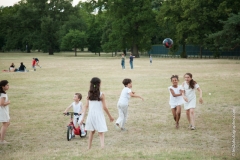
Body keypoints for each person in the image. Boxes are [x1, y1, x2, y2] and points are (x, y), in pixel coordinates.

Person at [80, 77, 114, 149]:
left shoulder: (89, 94)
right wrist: (110, 116)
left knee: (91, 132)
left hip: (91, 115)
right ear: (99, 84)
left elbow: (86, 106)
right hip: (99, 115)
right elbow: (104, 107)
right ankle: (102, 147)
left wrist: (82, 117)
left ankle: (89, 147)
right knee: (101, 132)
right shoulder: (101, 94)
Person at [0, 80, 10, 144]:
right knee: (5, 123)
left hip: (3, 110)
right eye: (7, 85)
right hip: (2, 111)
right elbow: (1, 103)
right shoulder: (3, 94)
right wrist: (8, 102)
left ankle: (1, 138)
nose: (8, 86)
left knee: (7, 123)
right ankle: (1, 140)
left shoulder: (2, 93)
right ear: (3, 86)